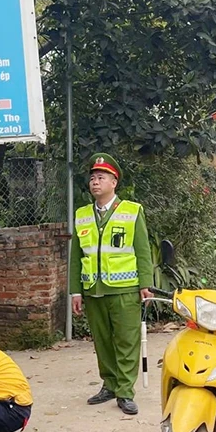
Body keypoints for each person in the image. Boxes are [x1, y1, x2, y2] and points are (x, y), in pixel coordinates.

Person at [70, 153, 154, 415]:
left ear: (114, 182)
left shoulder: (132, 211)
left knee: (127, 341)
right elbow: (76, 257)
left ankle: (125, 392)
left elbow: (143, 251)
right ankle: (109, 384)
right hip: (93, 290)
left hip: (125, 289)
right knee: (102, 341)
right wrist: (75, 291)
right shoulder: (82, 215)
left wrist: (146, 284)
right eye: (92, 178)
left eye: (101, 177)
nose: (95, 182)